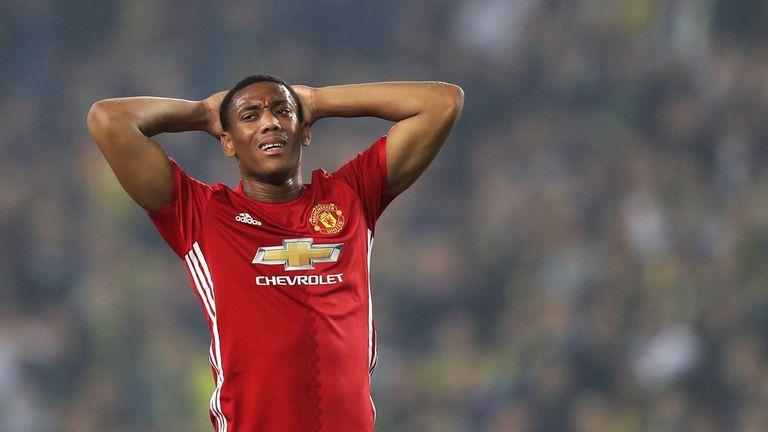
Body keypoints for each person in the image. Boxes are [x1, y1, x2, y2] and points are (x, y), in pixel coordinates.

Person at [87, 74, 464, 431]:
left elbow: (442, 102)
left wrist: (317, 100)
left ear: (305, 131)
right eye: (250, 116)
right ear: (228, 141)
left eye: (282, 111)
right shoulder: (203, 214)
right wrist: (203, 112)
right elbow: (108, 119)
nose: (269, 122)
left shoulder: (351, 196)